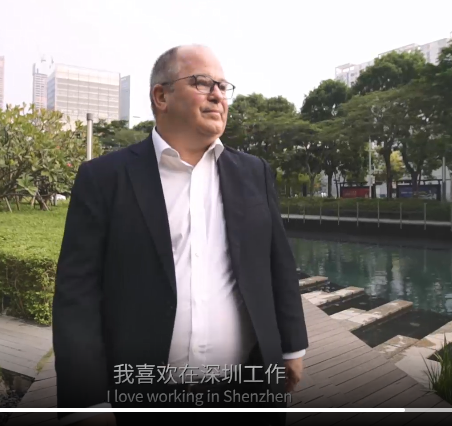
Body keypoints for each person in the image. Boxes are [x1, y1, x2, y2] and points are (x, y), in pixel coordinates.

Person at [52, 45, 308, 426]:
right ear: (161, 96)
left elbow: (279, 265)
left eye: (223, 86)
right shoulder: (104, 179)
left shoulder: (255, 173)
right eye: (202, 83)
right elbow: (77, 295)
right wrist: (86, 403)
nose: (218, 95)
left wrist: (292, 347)